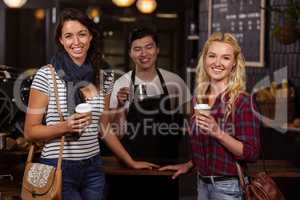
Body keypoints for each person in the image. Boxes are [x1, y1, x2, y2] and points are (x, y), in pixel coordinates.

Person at [24, 8, 157, 200]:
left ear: (91, 36)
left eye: (82, 34)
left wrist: (130, 161)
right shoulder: (47, 75)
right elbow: (30, 131)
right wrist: (66, 126)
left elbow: (103, 127)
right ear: (61, 40)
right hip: (58, 165)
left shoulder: (104, 77)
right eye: (68, 36)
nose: (76, 42)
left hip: (93, 168)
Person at [159, 32, 261, 200]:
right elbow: (203, 145)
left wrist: (217, 132)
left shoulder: (242, 101)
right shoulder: (199, 98)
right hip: (202, 184)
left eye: (226, 58)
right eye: (212, 56)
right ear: (204, 59)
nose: (217, 63)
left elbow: (251, 153)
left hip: (228, 187)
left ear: (234, 63)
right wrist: (190, 164)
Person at [108, 27, 191, 199]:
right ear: (131, 53)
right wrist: (119, 107)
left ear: (157, 49)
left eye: (149, 47)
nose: (143, 53)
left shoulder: (175, 82)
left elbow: (193, 124)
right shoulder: (121, 84)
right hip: (129, 169)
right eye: (137, 49)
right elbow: (116, 133)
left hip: (165, 170)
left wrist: (190, 161)